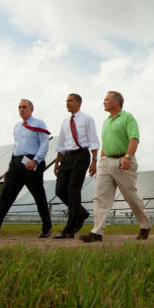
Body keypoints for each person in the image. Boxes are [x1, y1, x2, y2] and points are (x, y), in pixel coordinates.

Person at [0, 99, 53, 239]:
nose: (21, 109)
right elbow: (16, 148)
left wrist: (36, 161)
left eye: (24, 107)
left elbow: (44, 144)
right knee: (5, 197)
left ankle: (46, 227)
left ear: (31, 109)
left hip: (31, 163)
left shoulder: (39, 124)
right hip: (16, 164)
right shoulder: (17, 127)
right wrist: (9, 168)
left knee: (39, 196)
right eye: (19, 107)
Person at [80, 91, 151, 242]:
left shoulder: (127, 117)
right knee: (100, 197)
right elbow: (105, 144)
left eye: (106, 100)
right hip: (106, 163)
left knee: (130, 196)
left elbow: (134, 138)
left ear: (117, 102)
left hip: (123, 162)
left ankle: (145, 225)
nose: (103, 102)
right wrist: (100, 162)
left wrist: (128, 157)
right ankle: (97, 232)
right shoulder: (106, 122)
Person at [52, 93, 99, 239]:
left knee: (73, 190)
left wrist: (94, 160)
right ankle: (82, 213)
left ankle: (70, 228)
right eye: (66, 101)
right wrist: (57, 161)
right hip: (67, 157)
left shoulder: (87, 119)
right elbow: (61, 144)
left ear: (79, 102)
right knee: (60, 190)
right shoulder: (65, 122)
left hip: (81, 155)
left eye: (70, 101)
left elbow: (93, 140)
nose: (67, 103)